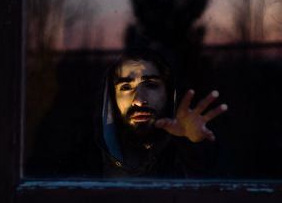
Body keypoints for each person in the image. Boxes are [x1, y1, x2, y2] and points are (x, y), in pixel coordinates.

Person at [97, 49, 228, 178]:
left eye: (151, 85)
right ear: (112, 99)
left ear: (169, 93)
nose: (139, 101)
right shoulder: (89, 154)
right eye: (126, 87)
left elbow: (208, 173)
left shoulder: (182, 154)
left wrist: (192, 144)